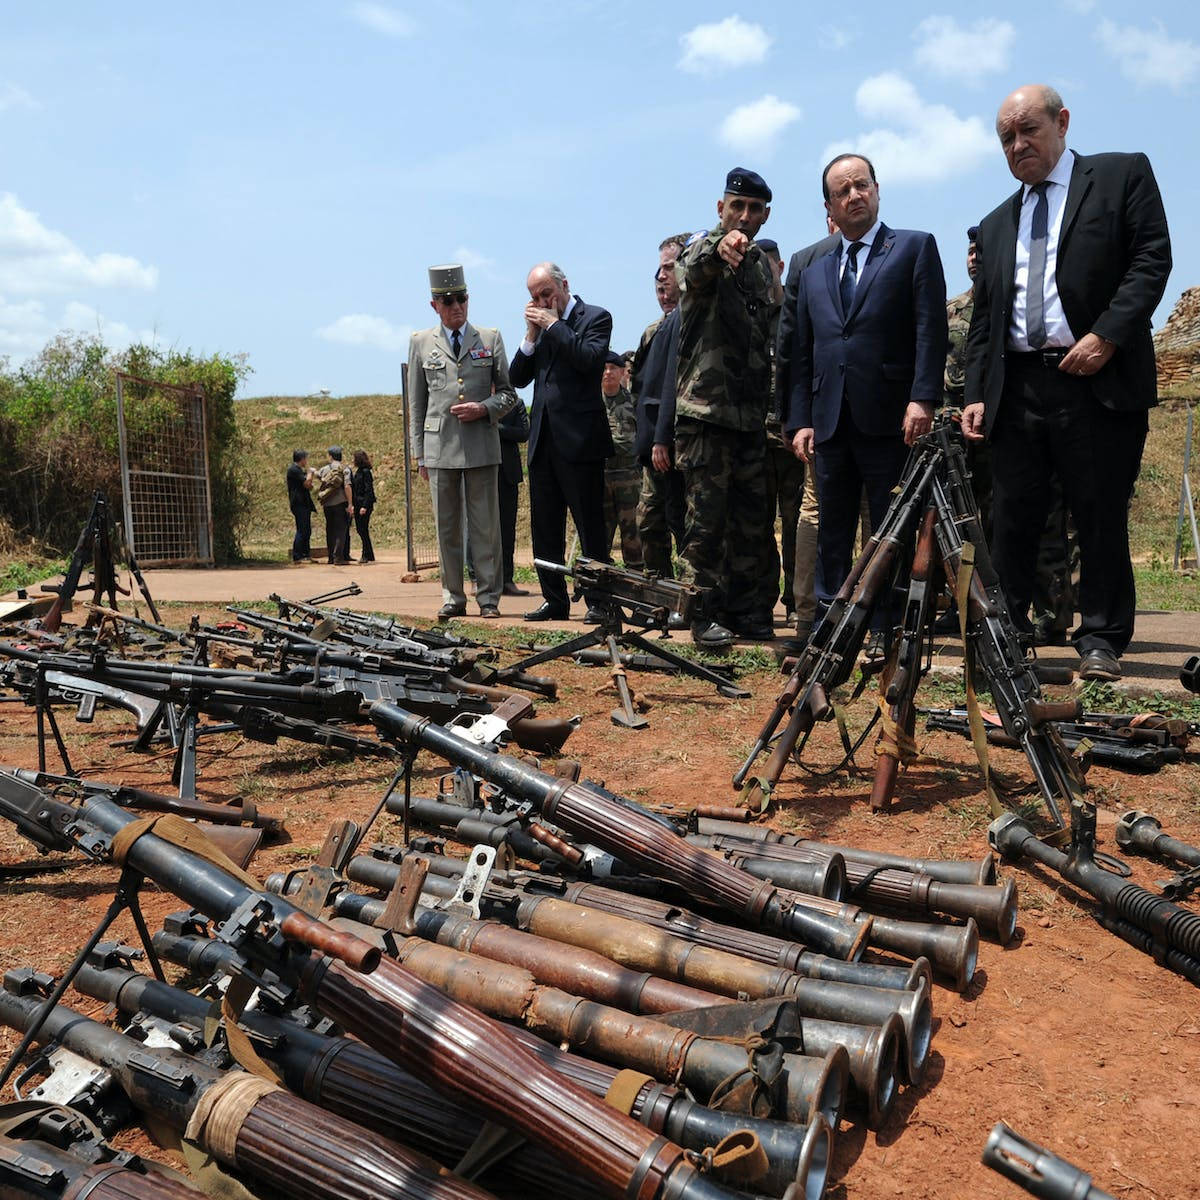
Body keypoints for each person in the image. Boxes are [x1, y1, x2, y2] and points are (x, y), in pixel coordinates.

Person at [963, 85, 1172, 681]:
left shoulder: (1119, 176)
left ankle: (1101, 637)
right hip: (1019, 385)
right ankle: (1006, 635)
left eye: (1028, 129)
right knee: (1013, 516)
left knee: (1099, 509)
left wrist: (1107, 335)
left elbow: (1151, 258)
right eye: (1006, 138)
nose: (1018, 144)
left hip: (1095, 379)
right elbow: (987, 317)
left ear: (1063, 122)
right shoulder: (997, 222)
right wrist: (977, 390)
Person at [783, 153, 947, 623]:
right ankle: (829, 623)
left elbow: (928, 329)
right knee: (832, 528)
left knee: (891, 524)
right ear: (829, 207)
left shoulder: (914, 248)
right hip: (831, 422)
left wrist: (923, 398)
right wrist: (801, 420)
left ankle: (885, 625)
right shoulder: (813, 270)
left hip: (892, 417)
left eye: (861, 185)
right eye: (842, 191)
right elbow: (802, 351)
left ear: (876, 189)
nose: (854, 195)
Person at [675, 169, 777, 646]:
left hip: (751, 417)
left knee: (752, 520)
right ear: (721, 208)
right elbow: (692, 268)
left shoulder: (760, 265)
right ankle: (699, 615)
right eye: (737, 206)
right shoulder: (703, 246)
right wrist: (720, 248)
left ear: (766, 214)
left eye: (754, 209)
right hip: (706, 415)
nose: (744, 216)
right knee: (705, 521)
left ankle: (746, 612)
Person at [408, 263, 518, 619]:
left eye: (462, 299)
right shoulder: (421, 343)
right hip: (440, 449)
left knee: (486, 527)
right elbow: (416, 404)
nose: (457, 306)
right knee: (447, 528)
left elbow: (508, 394)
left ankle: (489, 598)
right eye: (449, 300)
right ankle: (453, 597)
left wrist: (484, 408)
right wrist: (420, 456)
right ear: (435, 306)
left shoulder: (489, 338)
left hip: (482, 446)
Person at [509, 262, 613, 621]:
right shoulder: (541, 331)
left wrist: (553, 325)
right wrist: (531, 335)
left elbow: (587, 359)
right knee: (545, 527)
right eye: (534, 297)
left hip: (581, 442)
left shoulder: (595, 318)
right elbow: (517, 378)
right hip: (543, 442)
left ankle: (599, 601)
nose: (541, 302)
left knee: (589, 526)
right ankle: (554, 599)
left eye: (546, 294)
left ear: (564, 285)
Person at [778, 217, 843, 641]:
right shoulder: (807, 261)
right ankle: (809, 612)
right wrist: (796, 417)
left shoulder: (898, 251)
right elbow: (792, 344)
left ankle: (849, 614)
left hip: (874, 412)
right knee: (817, 510)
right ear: (828, 210)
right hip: (823, 413)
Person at [632, 234, 688, 581]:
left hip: (681, 444)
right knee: (649, 521)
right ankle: (659, 593)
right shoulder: (654, 331)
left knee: (683, 521)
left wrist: (664, 436)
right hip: (654, 448)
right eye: (659, 269)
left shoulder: (695, 324)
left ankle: (688, 595)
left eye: (669, 267)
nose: (661, 276)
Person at [757, 238, 804, 625]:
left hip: (790, 437)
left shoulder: (796, 307)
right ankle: (762, 599)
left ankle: (795, 599)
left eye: (767, 265)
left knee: (795, 521)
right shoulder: (746, 309)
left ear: (781, 266)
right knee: (756, 523)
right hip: (753, 438)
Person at [600, 349, 643, 574]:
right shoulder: (590, 402)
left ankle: (636, 579)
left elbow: (635, 441)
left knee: (632, 535)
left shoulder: (633, 401)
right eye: (604, 369)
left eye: (613, 369)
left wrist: (608, 445)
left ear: (622, 372)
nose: (608, 373)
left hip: (629, 478)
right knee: (601, 537)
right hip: (600, 478)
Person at [497, 402, 531, 595]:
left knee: (507, 528)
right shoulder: (477, 398)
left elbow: (523, 433)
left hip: (508, 473)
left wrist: (496, 427)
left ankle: (506, 579)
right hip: (482, 471)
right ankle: (477, 578)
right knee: (478, 527)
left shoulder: (515, 403)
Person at [316, 445, 353, 565]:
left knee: (330, 529)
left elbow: (319, 477)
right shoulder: (345, 469)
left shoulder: (324, 469)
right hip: (340, 503)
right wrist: (350, 503)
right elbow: (347, 486)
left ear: (330, 456)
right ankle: (338, 557)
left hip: (327, 504)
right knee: (340, 530)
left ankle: (330, 558)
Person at [286, 449, 316, 564]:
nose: (306, 461)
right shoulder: (293, 470)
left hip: (304, 503)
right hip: (299, 503)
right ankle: (298, 555)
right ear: (302, 459)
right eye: (305, 458)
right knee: (302, 529)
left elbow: (308, 486)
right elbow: (307, 483)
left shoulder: (298, 470)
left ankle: (305, 554)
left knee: (307, 530)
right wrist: (310, 473)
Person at [351, 449, 376, 565]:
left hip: (363, 505)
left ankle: (365, 554)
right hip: (358, 504)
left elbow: (368, 490)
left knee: (362, 529)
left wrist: (364, 506)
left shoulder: (365, 472)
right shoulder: (359, 471)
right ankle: (369, 553)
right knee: (361, 530)